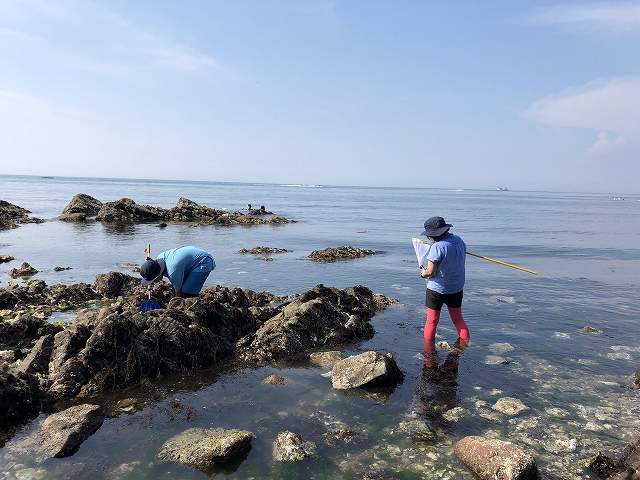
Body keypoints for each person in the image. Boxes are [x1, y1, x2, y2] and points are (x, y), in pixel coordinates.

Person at [420, 216, 470, 347]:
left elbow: (430, 272)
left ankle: (429, 353)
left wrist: (422, 274)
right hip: (456, 287)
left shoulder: (437, 246)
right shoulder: (459, 240)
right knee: (458, 320)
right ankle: (464, 347)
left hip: (437, 289)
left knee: (432, 321)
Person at [140, 246, 215, 298]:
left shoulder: (172, 272)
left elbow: (179, 295)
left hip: (204, 261)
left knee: (187, 292)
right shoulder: (160, 258)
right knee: (177, 286)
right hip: (190, 260)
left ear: (158, 273)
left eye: (154, 279)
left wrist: (176, 306)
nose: (155, 282)